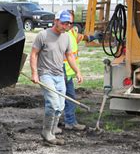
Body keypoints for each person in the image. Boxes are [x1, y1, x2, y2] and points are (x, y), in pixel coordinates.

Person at [30, 10, 83, 145]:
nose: (66, 26)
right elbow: (34, 54)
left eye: (69, 23)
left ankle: (53, 128)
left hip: (60, 75)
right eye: (64, 23)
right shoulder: (43, 35)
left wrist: (77, 71)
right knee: (52, 103)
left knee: (60, 105)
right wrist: (34, 73)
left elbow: (70, 55)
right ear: (56, 21)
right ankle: (47, 132)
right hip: (46, 74)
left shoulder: (66, 37)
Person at [62, 11, 101, 131]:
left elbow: (81, 37)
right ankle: (62, 123)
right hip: (61, 70)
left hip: (68, 71)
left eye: (71, 22)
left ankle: (70, 122)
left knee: (69, 97)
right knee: (61, 99)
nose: (70, 24)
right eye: (68, 22)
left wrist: (92, 37)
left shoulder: (72, 32)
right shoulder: (61, 35)